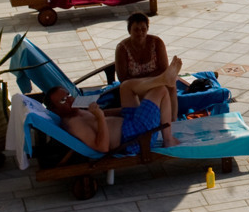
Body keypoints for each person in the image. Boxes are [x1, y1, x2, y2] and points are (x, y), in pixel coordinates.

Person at [44, 56, 182, 152]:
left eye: (68, 95)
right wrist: (99, 117)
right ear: (55, 110)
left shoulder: (75, 111)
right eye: (63, 101)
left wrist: (120, 110)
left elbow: (101, 117)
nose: (69, 100)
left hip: (129, 123)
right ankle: (168, 139)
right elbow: (102, 147)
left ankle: (162, 79)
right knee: (161, 90)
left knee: (126, 87)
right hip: (135, 137)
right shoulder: (74, 124)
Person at [114, 14, 178, 128]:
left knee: (171, 87)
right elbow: (122, 78)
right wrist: (145, 82)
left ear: (147, 29)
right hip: (135, 86)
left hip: (155, 81)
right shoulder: (122, 48)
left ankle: (172, 121)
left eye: (143, 29)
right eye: (136, 30)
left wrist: (151, 81)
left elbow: (163, 68)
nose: (140, 33)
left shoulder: (157, 43)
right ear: (129, 31)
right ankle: (151, 124)